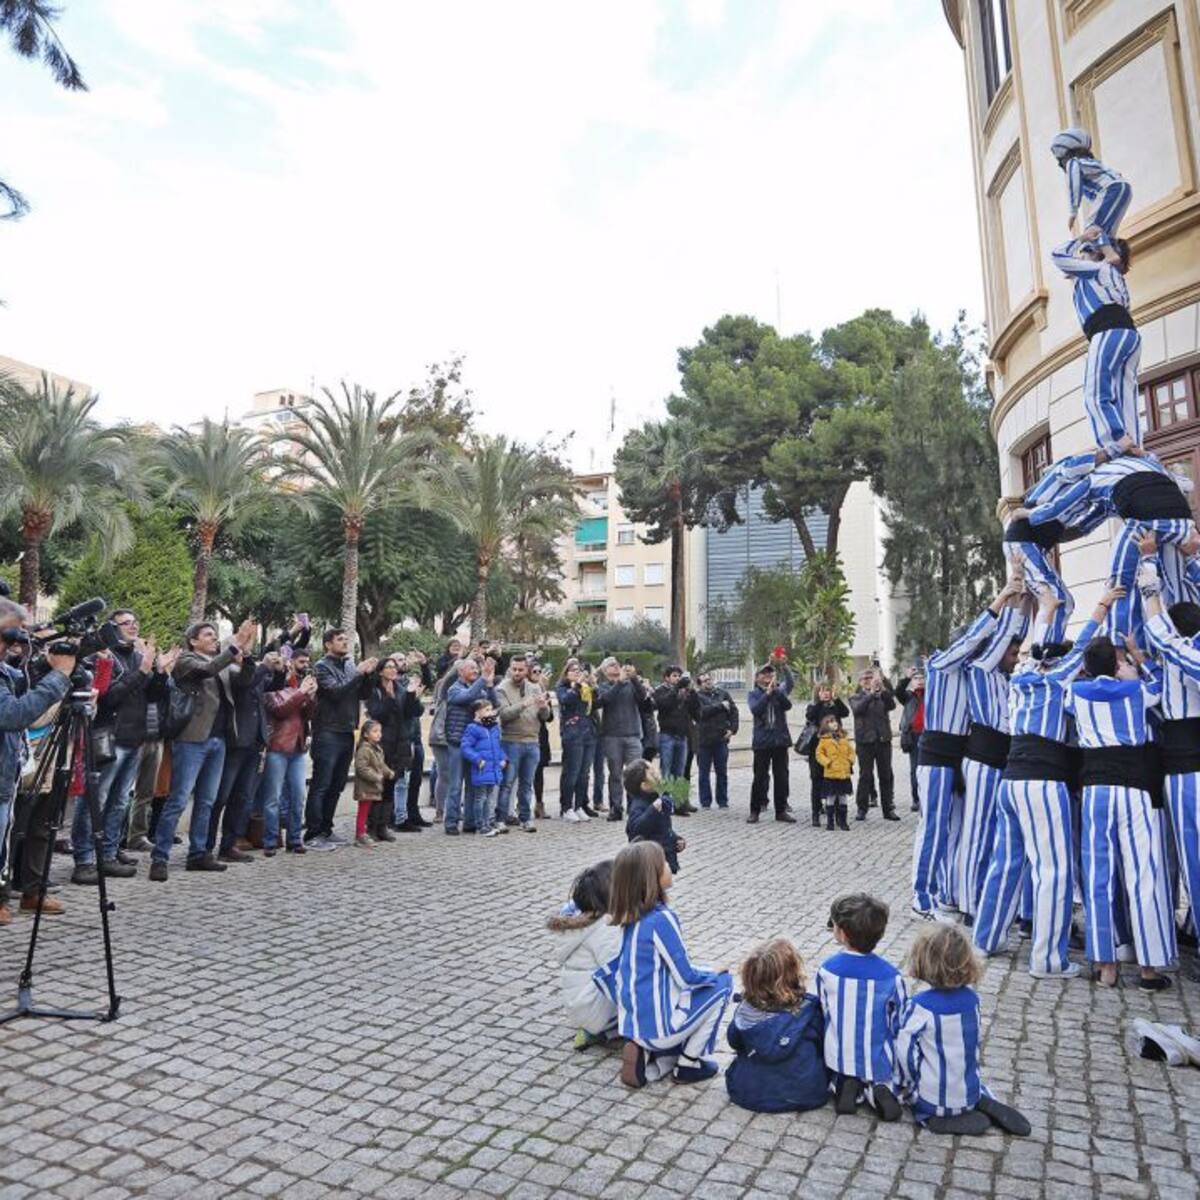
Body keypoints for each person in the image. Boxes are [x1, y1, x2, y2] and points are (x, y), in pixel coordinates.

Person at [973, 585, 1120, 977]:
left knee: (1005, 862)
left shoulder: (1021, 677)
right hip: (1043, 781)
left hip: (1011, 781)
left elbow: (1033, 649)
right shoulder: (1057, 680)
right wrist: (1102, 606)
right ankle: (1049, 960)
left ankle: (985, 939)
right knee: (1054, 870)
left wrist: (1048, 610)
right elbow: (1082, 646)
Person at [911, 574, 1025, 922]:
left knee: (957, 828)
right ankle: (921, 896)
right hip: (935, 756)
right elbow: (975, 637)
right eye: (975, 645)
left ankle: (948, 893)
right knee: (933, 826)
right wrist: (1002, 597)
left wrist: (1018, 602)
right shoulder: (940, 665)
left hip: (960, 757)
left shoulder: (974, 671)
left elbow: (997, 640)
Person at [1066, 630, 1174, 990]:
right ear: (1115, 664)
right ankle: (1148, 968)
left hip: (1096, 788)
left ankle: (1106, 965)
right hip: (1134, 788)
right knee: (1142, 874)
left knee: (1098, 875)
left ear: (1086, 666)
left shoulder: (1076, 694)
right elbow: (1161, 686)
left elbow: (1066, 686)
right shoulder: (1136, 691)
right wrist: (1137, 661)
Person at [1017, 450, 1199, 639]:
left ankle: (1118, 641)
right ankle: (1192, 633)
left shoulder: (1090, 480)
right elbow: (1084, 526)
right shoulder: (1136, 465)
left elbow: (1057, 508)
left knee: (1120, 581)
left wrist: (1027, 514)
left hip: (1144, 522)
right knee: (1176, 579)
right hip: (1184, 525)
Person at [594, 841, 732, 1088]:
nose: (669, 866)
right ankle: (689, 1063)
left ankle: (653, 1056)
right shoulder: (660, 919)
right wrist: (712, 970)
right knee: (723, 983)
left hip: (633, 1024)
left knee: (687, 989)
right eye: (665, 863)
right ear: (651, 877)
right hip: (658, 1029)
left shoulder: (630, 917)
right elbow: (687, 977)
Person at [69, 610, 176, 884]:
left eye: (135, 622)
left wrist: (160, 673)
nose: (133, 626)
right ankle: (84, 860)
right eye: (126, 622)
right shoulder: (102, 656)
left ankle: (107, 855)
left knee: (119, 802)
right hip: (109, 738)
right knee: (95, 801)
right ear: (112, 627)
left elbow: (153, 696)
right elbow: (108, 698)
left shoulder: (139, 657)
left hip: (134, 739)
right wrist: (142, 672)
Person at [896, 926, 1032, 1136]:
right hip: (968, 1088)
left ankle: (935, 1119)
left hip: (933, 1097)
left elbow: (905, 1053)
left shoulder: (920, 1006)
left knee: (904, 1090)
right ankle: (981, 1100)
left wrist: (906, 1082)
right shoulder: (972, 1000)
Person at [150, 619, 257, 882]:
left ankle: (198, 853)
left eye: (215, 634)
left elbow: (243, 682)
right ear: (193, 641)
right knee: (178, 799)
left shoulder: (222, 663)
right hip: (192, 739)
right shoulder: (187, 661)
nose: (214, 638)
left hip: (219, 740)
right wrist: (235, 646)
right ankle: (160, 857)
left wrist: (247, 657)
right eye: (208, 634)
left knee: (207, 801)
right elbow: (208, 669)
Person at [1140, 545, 1200, 960]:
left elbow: (1160, 633)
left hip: (1187, 771)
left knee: (1193, 854)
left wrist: (1148, 567)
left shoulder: (1186, 652)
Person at [0, 598, 74, 924]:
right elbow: (14, 714)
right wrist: (59, 675)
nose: (20, 639)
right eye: (14, 633)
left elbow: (24, 684)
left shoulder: (8, 669)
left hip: (11, 770)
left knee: (35, 827)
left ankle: (32, 889)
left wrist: (48, 664)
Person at [958, 609, 1028, 924]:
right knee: (977, 833)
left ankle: (994, 900)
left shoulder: (1006, 678)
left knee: (999, 835)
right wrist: (1010, 597)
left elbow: (1020, 631)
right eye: (1011, 654)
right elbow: (1004, 633)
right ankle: (969, 903)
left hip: (1004, 760)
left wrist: (1026, 601)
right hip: (982, 760)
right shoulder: (980, 669)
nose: (1015, 659)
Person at [815, 894, 906, 1121]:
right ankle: (879, 1088)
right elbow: (899, 1019)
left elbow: (825, 1010)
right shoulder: (891, 976)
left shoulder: (827, 970)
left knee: (841, 1050)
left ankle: (845, 1083)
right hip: (877, 1054)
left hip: (840, 1052)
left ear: (842, 933)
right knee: (882, 1058)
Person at [1051, 234, 1140, 459]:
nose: (1081, 256)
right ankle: (1135, 444)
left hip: (1107, 332)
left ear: (1097, 255)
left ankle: (1117, 442)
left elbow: (1058, 256)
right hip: (1129, 335)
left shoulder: (1097, 269)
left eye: (1086, 252)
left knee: (1095, 393)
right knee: (1124, 395)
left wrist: (1082, 238)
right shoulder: (1110, 276)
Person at [725, 939, 827, 1114]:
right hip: (803, 1093)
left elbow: (733, 1040)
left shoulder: (745, 1010)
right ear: (793, 973)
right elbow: (824, 1044)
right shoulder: (809, 1009)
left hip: (748, 1093)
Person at [304, 629, 378, 848]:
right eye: (340, 640)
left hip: (346, 730)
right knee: (321, 784)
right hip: (327, 731)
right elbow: (336, 693)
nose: (345, 643)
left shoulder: (349, 665)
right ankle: (313, 833)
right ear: (328, 644)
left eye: (347, 639)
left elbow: (363, 694)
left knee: (337, 784)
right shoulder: (321, 667)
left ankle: (326, 828)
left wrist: (367, 675)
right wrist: (358, 674)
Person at [207, 646, 273, 865]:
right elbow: (246, 683)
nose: (245, 654)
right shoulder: (228, 672)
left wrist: (278, 670)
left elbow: (271, 686)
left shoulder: (252, 671)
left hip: (255, 741)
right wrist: (263, 666)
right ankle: (206, 846)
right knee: (221, 797)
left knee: (242, 797)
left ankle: (228, 845)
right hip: (235, 742)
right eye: (240, 650)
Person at [546, 860, 620, 1049]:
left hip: (579, 1005)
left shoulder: (582, 922)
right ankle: (602, 1030)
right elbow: (617, 971)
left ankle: (594, 1029)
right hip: (594, 1010)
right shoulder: (605, 927)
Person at [261, 664, 318, 855]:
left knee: (298, 796)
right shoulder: (270, 691)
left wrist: (311, 697)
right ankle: (270, 840)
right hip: (277, 747)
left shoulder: (298, 691)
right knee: (273, 798)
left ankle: (294, 839)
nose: (291, 674)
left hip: (298, 749)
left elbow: (308, 716)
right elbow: (280, 710)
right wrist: (301, 693)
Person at [1051, 127, 1131, 261]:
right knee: (1106, 232)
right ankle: (1100, 257)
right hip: (1120, 189)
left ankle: (1110, 255)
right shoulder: (1091, 164)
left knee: (1092, 226)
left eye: (1060, 162)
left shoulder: (1074, 163)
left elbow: (1074, 184)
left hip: (1111, 190)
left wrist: (1073, 211)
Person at [366, 657, 423, 840]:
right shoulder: (375, 690)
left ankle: (383, 826)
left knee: (391, 783)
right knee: (378, 785)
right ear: (380, 671)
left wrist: (412, 695)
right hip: (382, 743)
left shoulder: (401, 689)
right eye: (388, 667)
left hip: (400, 743)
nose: (392, 670)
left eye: (394, 667)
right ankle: (372, 826)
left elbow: (413, 712)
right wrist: (389, 699)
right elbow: (377, 714)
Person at [593, 658, 654, 822]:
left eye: (617, 664)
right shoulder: (603, 686)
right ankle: (616, 807)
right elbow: (605, 700)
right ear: (605, 671)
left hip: (633, 735)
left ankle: (634, 807)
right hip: (612, 736)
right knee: (615, 774)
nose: (616, 666)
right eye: (611, 665)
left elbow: (643, 698)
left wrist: (634, 678)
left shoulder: (631, 684)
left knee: (635, 774)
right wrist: (619, 683)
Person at [495, 654, 550, 832]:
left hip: (532, 741)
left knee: (527, 784)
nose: (517, 672)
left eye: (520, 669)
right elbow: (504, 715)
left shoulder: (535, 687)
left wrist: (543, 707)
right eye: (514, 669)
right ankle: (500, 819)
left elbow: (545, 717)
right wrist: (524, 704)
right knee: (507, 783)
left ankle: (526, 819)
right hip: (511, 741)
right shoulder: (501, 688)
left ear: (527, 670)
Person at [444, 657, 497, 834]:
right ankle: (451, 823)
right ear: (460, 671)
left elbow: (492, 705)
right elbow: (468, 696)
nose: (475, 671)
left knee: (474, 785)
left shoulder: (479, 688)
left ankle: (470, 822)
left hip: (475, 745)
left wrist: (489, 685)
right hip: (457, 743)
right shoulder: (454, 689)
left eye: (476, 668)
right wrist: (483, 678)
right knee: (455, 786)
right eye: (471, 668)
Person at [747, 651, 796, 825]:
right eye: (764, 673)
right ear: (757, 678)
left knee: (781, 777)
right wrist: (767, 694)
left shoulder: (779, 690)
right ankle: (754, 810)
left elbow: (788, 704)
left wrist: (783, 666)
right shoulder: (753, 694)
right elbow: (756, 710)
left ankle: (781, 810)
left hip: (780, 740)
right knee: (759, 777)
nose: (767, 675)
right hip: (762, 742)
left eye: (770, 672)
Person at [848, 668, 897, 822]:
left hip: (883, 740)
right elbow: (858, 710)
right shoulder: (855, 697)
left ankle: (888, 809)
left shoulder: (882, 695)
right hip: (865, 742)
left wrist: (882, 687)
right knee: (865, 776)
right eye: (866, 678)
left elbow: (892, 705)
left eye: (871, 678)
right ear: (860, 682)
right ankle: (862, 809)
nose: (869, 681)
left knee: (886, 775)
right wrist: (870, 694)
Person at [688, 671, 739, 810]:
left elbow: (734, 712)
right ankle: (705, 802)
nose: (708, 682)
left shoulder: (723, 694)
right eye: (704, 680)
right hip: (703, 740)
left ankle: (723, 801)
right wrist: (720, 706)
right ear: (700, 684)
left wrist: (732, 729)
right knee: (703, 773)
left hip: (721, 739)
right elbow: (701, 713)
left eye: (709, 679)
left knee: (722, 772)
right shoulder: (696, 696)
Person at [624, 758, 685, 873]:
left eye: (656, 770)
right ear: (644, 786)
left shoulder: (657, 799)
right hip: (649, 862)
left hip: (663, 857)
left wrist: (676, 840)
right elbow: (635, 829)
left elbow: (663, 828)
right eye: (652, 774)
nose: (658, 774)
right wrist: (653, 810)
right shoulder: (639, 805)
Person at [459, 696, 506, 838]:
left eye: (491, 710)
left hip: (493, 769)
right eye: (487, 710)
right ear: (477, 713)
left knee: (489, 798)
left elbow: (498, 746)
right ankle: (480, 825)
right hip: (481, 769)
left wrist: (503, 758)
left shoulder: (494, 728)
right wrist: (477, 759)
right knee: (480, 798)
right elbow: (465, 747)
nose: (490, 713)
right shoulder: (472, 728)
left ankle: (487, 823)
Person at [556, 661, 596, 821]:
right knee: (571, 772)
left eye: (579, 670)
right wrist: (577, 686)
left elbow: (594, 705)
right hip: (572, 733)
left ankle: (579, 805)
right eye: (573, 670)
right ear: (566, 673)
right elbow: (566, 700)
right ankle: (566, 807)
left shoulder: (585, 687)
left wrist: (593, 685)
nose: (577, 672)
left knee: (584, 773)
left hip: (588, 732)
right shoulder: (563, 688)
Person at [803, 683, 849, 827]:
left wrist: (836, 699)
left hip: (835, 751)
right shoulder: (813, 707)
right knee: (816, 781)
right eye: (823, 691)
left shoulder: (835, 706)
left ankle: (838, 814)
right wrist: (820, 702)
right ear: (818, 693)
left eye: (828, 690)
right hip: (818, 749)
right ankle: (816, 812)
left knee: (835, 782)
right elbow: (810, 716)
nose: (826, 693)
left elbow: (845, 712)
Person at [352, 719, 393, 848]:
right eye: (375, 731)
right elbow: (361, 768)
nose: (379, 734)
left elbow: (381, 764)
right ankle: (360, 835)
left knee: (366, 810)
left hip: (373, 786)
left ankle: (362, 833)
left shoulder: (377, 749)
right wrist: (376, 777)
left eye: (379, 731)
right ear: (365, 734)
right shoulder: (364, 749)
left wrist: (388, 772)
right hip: (365, 787)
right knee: (363, 811)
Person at [814, 715, 854, 832]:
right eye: (830, 722)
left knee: (843, 797)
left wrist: (850, 760)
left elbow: (851, 751)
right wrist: (827, 762)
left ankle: (843, 821)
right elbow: (819, 754)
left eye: (835, 721)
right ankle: (830, 822)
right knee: (830, 797)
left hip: (844, 773)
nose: (834, 724)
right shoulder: (824, 740)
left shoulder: (843, 738)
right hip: (831, 774)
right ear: (826, 726)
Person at [652, 665, 691, 783]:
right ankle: (666, 794)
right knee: (666, 771)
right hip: (667, 735)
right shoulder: (660, 690)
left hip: (682, 736)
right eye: (674, 676)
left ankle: (676, 795)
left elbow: (694, 709)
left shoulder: (684, 691)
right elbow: (664, 704)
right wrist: (677, 688)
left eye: (679, 676)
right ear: (666, 678)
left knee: (679, 772)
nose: (678, 678)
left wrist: (691, 691)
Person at [895, 669, 924, 815]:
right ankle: (916, 799)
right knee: (915, 769)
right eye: (916, 678)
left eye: (921, 678)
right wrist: (906, 677)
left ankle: (926, 796)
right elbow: (898, 691)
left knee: (928, 768)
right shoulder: (908, 697)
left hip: (928, 736)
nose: (919, 680)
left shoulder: (932, 694)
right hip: (913, 736)